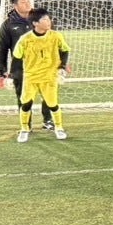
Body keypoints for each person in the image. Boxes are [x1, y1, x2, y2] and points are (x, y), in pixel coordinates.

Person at [0, 0, 54, 130]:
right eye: (23, 2)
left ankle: (48, 120)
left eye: (28, 1)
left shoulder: (40, 19)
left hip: (43, 65)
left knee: (48, 94)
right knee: (23, 97)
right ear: (15, 5)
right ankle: (26, 124)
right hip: (20, 68)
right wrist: (2, 71)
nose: (27, 4)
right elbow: (2, 48)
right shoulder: (8, 25)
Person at [10, 8, 70, 142]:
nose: (49, 22)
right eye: (45, 19)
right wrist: (11, 75)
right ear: (35, 23)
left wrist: (62, 66)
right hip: (31, 77)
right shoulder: (25, 39)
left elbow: (65, 50)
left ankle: (59, 128)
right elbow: (17, 58)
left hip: (49, 77)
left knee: (52, 104)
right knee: (26, 104)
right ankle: (24, 129)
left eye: (48, 19)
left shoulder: (56, 36)